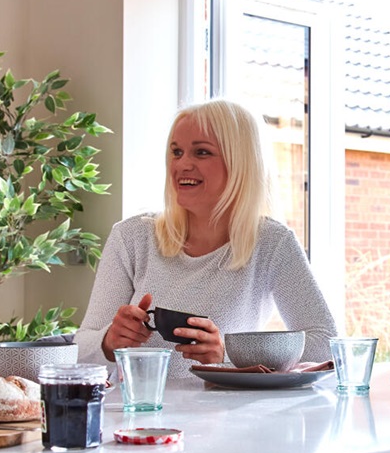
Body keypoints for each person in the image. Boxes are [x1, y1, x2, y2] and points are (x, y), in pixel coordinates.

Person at [76, 99, 337, 378]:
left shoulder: (272, 243)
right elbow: (79, 349)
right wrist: (108, 342)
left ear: (240, 163)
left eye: (201, 152)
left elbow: (327, 345)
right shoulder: (131, 237)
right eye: (176, 152)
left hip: (229, 416)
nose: (182, 164)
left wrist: (227, 353)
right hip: (140, 416)